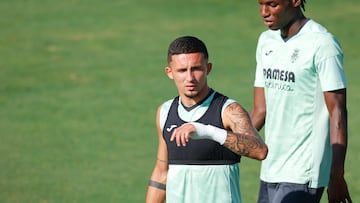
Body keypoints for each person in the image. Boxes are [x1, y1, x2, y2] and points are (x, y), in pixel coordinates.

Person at [250, 0, 352, 202]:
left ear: (296, 1)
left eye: (272, 4)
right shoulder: (266, 41)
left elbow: (338, 112)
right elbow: (260, 110)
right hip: (270, 167)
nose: (264, 12)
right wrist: (226, 146)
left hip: (304, 171)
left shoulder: (322, 43)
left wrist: (337, 174)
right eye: (260, 4)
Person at [145, 36, 268, 203]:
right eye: (182, 70)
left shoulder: (229, 110)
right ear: (170, 72)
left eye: (196, 69)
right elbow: (161, 172)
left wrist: (208, 131)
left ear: (208, 68)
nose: (190, 78)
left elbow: (259, 150)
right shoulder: (165, 112)